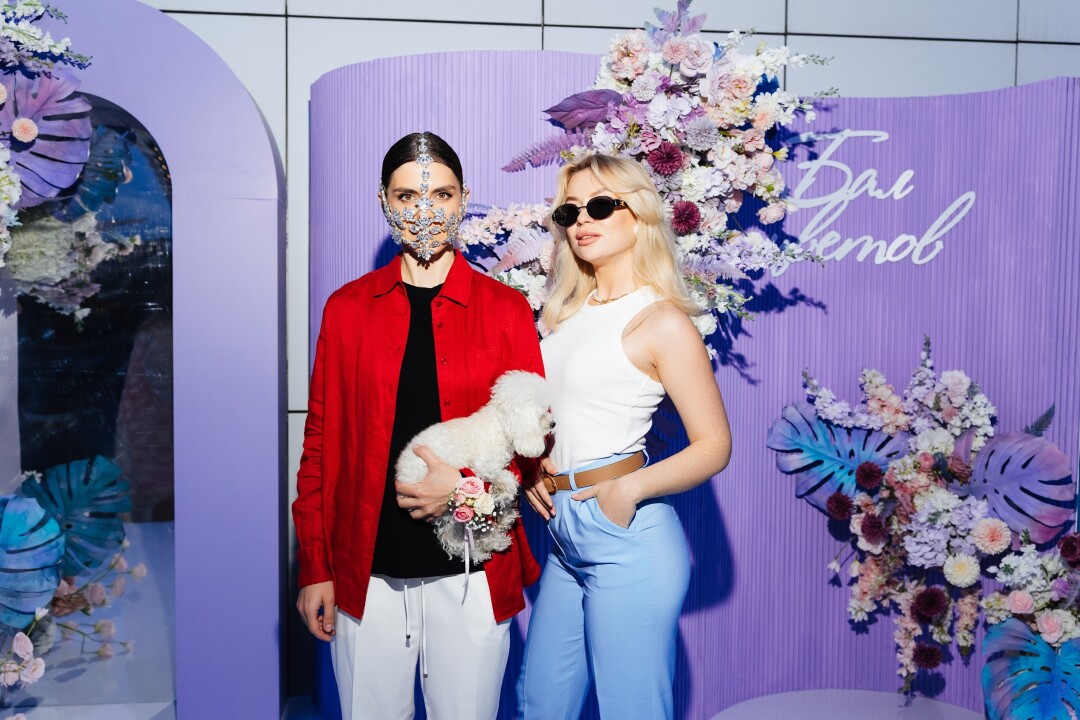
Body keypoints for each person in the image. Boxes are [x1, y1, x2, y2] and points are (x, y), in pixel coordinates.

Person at [293, 132, 543, 720]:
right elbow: (321, 445)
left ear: (465, 200)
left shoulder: (505, 310)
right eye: (407, 196)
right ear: (383, 201)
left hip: (473, 567)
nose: (425, 211)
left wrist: (464, 491)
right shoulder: (346, 309)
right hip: (365, 573)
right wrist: (315, 566)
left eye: (442, 195)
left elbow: (533, 440)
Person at [519, 153, 732, 719]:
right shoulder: (563, 317)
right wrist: (534, 468)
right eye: (570, 211)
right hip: (562, 534)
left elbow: (714, 444)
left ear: (638, 216)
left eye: (599, 205)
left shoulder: (661, 321)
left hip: (624, 535)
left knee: (629, 709)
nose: (582, 220)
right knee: (539, 704)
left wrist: (627, 491)